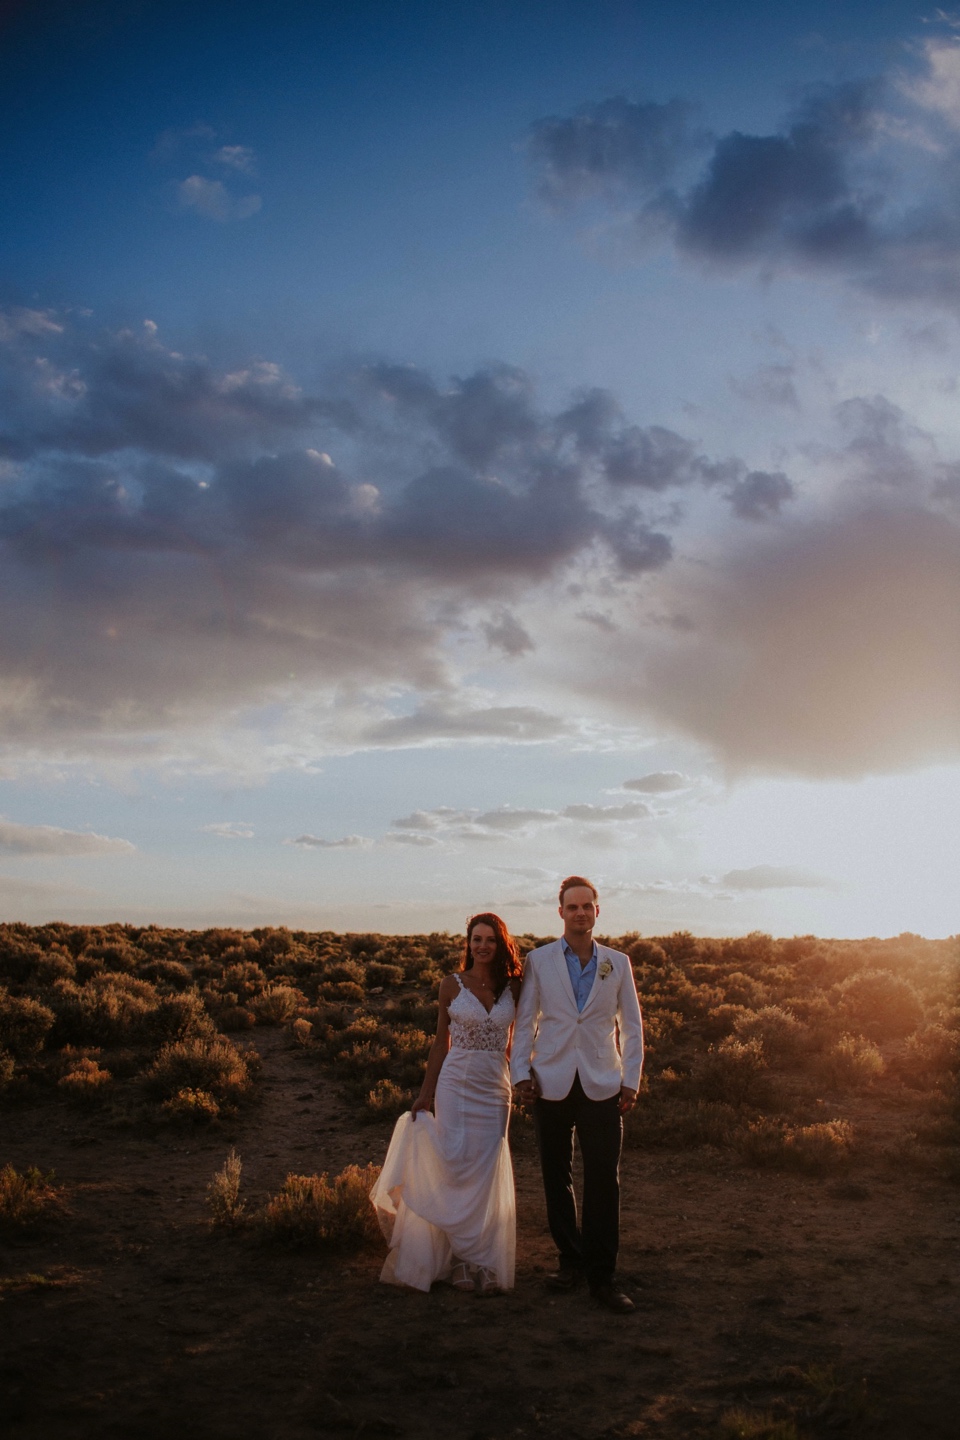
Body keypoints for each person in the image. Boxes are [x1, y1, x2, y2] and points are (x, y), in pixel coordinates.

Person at [370, 913, 522, 1296]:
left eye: (490, 939)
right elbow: (441, 1043)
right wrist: (426, 1093)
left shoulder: (514, 987)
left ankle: (482, 1260)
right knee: (454, 1162)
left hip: (495, 1087)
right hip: (456, 1084)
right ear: (468, 943)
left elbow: (515, 1043)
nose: (482, 946)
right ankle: (455, 1257)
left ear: (501, 943)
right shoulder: (451, 986)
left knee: (486, 1168)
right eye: (476, 939)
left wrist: (520, 1080)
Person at [511, 876, 643, 1314]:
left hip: (603, 1083)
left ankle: (602, 1276)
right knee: (556, 1174)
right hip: (550, 1081)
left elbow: (633, 1026)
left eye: (588, 906)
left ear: (597, 912)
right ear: (561, 911)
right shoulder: (540, 960)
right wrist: (521, 1074)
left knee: (605, 1179)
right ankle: (570, 1261)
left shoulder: (618, 963)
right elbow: (525, 1019)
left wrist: (631, 1079)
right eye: (573, 907)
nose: (580, 913)